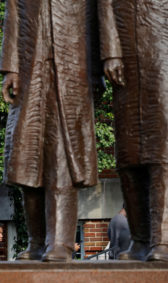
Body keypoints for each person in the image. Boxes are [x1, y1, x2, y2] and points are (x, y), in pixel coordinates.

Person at [98, 0, 168, 262]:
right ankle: (141, 240)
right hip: (127, 62)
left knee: (167, 155)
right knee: (129, 156)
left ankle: (165, 242)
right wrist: (111, 51)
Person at [0, 0, 101, 262]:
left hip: (71, 73)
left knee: (61, 161)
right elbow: (13, 14)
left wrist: (97, 71)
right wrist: (10, 68)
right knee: (26, 162)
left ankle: (60, 242)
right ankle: (36, 242)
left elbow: (97, 20)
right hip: (30, 71)